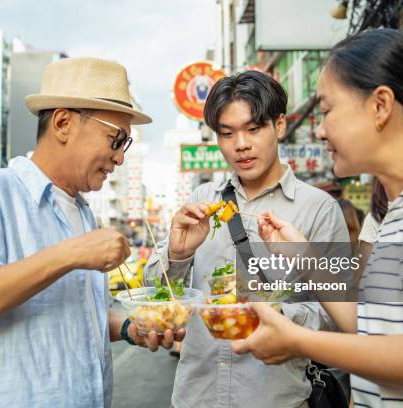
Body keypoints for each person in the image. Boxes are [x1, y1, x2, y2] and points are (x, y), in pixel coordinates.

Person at [231, 28, 403, 406]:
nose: (319, 129)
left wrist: (298, 341)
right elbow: (373, 330)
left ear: (380, 105)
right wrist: (307, 259)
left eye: (328, 109)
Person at [0, 58, 183, 408]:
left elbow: (74, 313)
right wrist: (70, 254)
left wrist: (127, 328)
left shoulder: (83, 212)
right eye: (115, 139)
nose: (119, 158)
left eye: (126, 145)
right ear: (63, 123)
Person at [144, 70, 350, 408]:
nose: (241, 144)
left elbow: (337, 319)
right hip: (196, 398)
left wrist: (277, 314)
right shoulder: (202, 199)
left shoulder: (319, 209)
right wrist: (178, 254)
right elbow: (159, 297)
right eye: (227, 134)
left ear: (279, 125)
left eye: (253, 129)